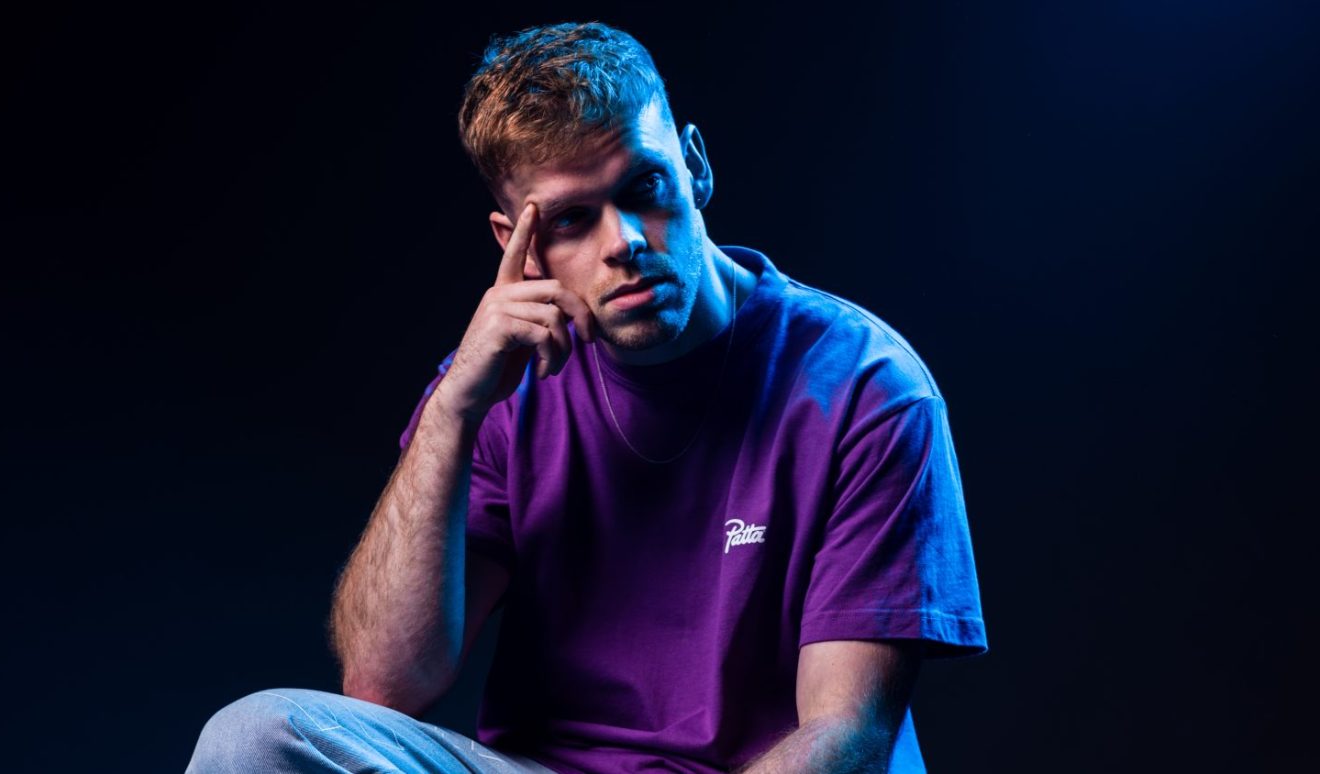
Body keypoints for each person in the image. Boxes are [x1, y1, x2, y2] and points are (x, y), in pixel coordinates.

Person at [186, 21, 987, 774]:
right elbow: (386, 685)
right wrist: (454, 409)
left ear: (694, 165)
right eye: (572, 219)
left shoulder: (864, 387)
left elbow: (847, 736)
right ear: (518, 245)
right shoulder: (499, 391)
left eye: (643, 186)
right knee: (255, 738)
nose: (624, 242)